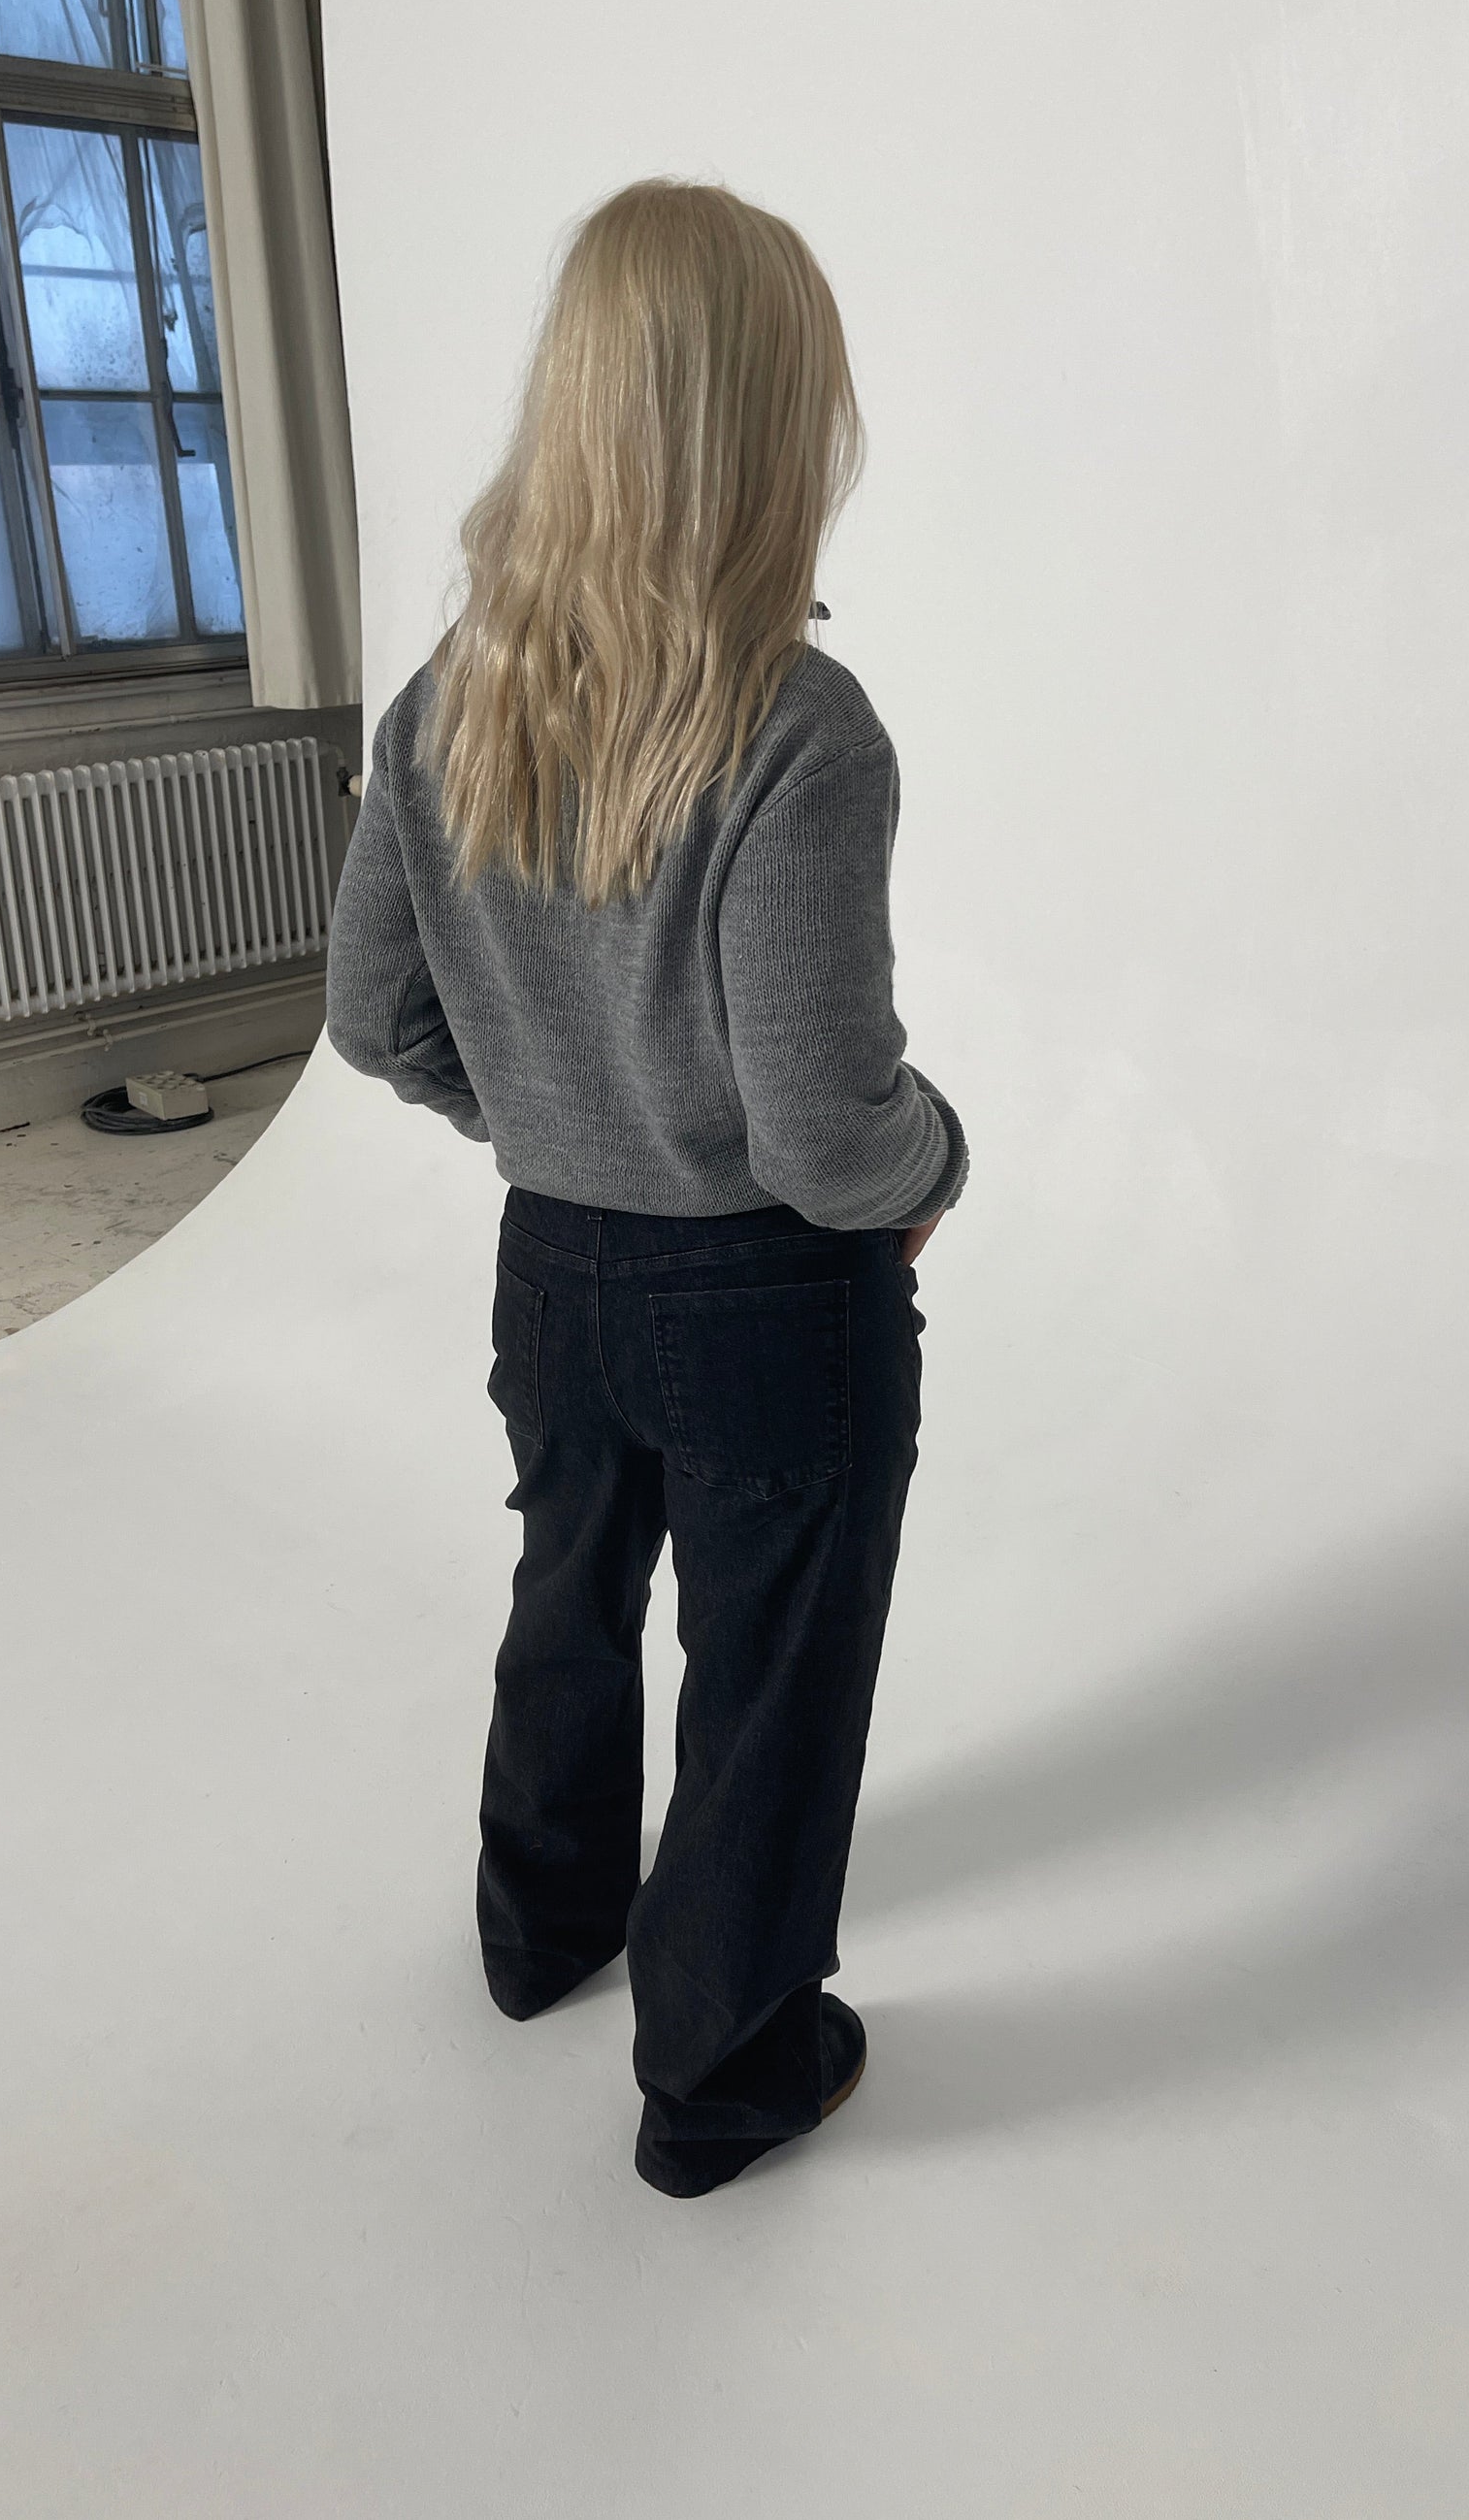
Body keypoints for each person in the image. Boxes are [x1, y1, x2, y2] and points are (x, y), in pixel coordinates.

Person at [324, 176, 970, 2198]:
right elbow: (823, 1131)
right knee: (769, 1676)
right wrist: (939, 1156)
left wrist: (547, 1116)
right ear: (773, 428)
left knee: (569, 1599)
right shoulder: (801, 731)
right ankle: (727, 2071)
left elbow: (368, 1014)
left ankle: (543, 1929)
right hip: (768, 1301)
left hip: (552, 1271)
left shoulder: (457, 695)